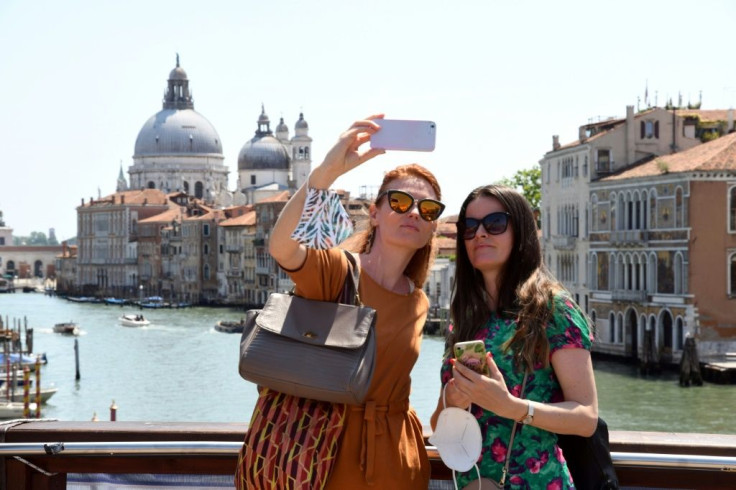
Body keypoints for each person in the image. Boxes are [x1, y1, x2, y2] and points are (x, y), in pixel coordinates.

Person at [238, 116, 444, 489]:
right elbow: (283, 248)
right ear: (376, 214)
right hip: (321, 460)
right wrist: (326, 173)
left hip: (399, 465)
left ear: (432, 227)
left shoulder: (419, 301)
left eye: (428, 209)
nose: (413, 212)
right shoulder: (337, 270)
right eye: (400, 201)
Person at [430, 184, 598, 489]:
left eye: (495, 223)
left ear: (519, 230)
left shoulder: (553, 308)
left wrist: (511, 406)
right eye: (469, 227)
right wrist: (452, 400)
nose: (480, 234)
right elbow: (438, 425)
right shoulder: (464, 319)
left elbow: (586, 418)